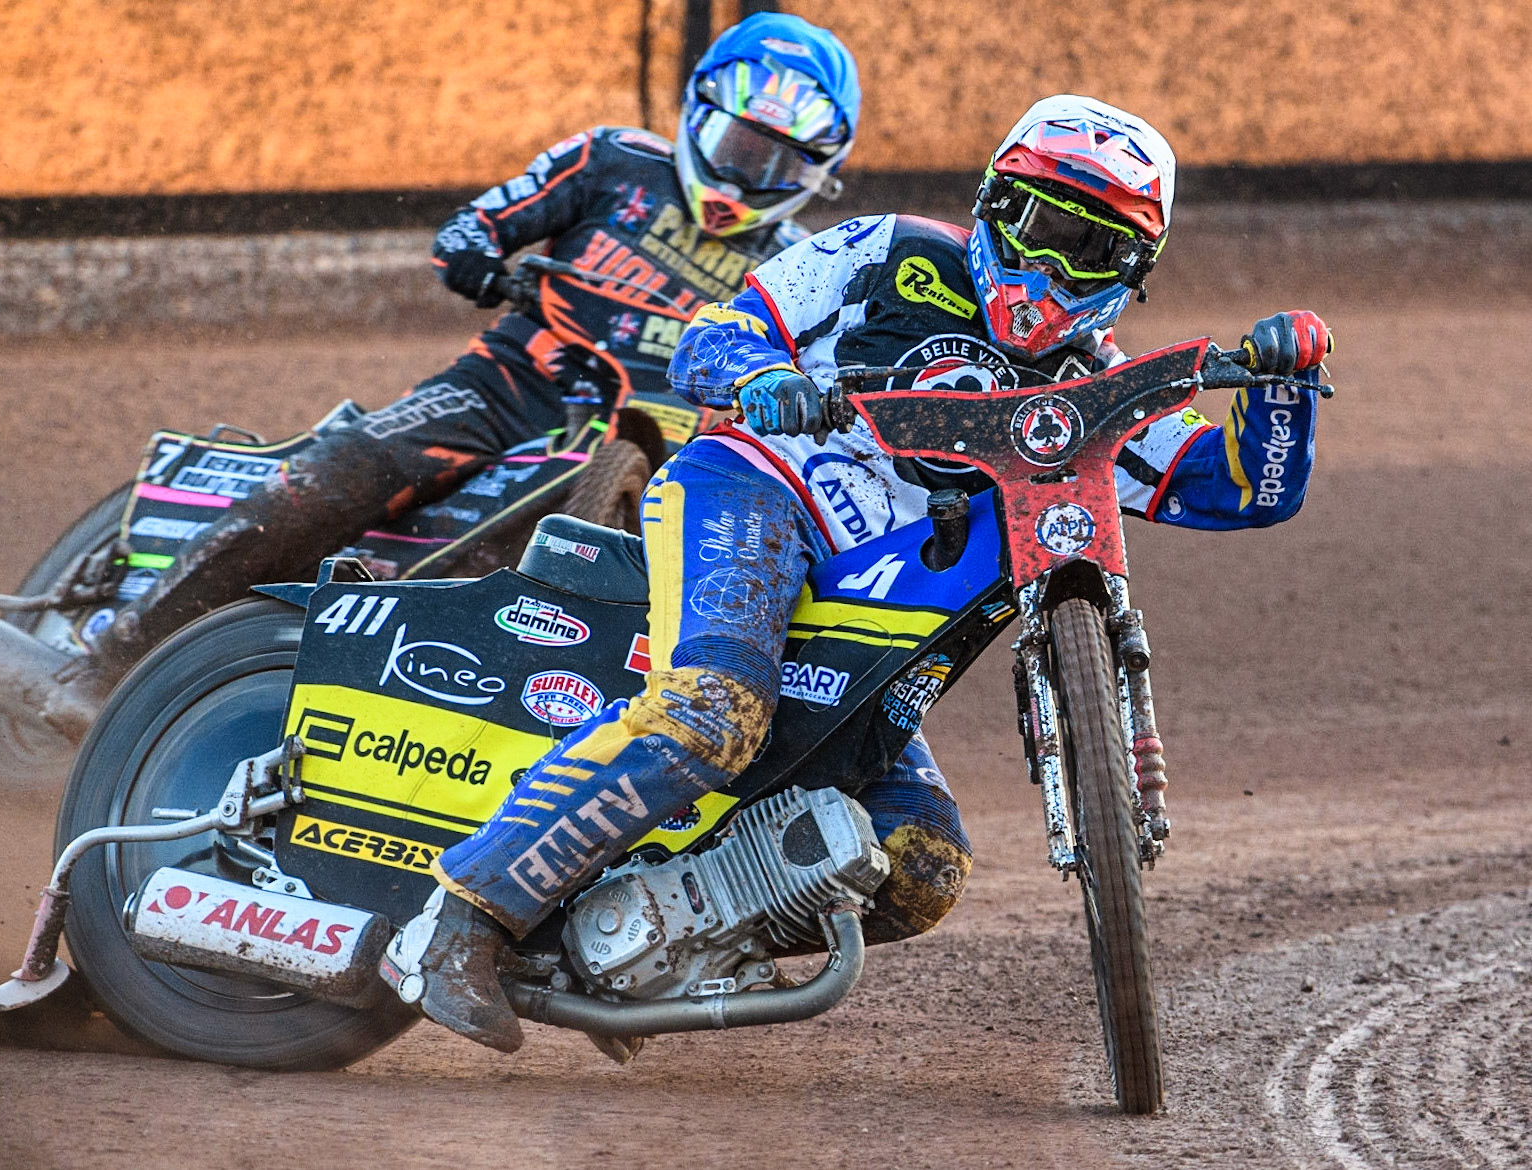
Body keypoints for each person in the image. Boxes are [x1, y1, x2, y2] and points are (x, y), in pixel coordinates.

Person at [395, 95, 1332, 1052]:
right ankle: (461, 917)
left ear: (1134, 272)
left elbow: (1235, 487)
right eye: (1040, 227)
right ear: (993, 204)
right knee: (713, 712)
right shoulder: (886, 251)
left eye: (1092, 252)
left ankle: (642, 948)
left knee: (920, 864)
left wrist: (1284, 386)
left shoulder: (1090, 390)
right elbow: (714, 334)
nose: (1053, 268)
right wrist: (763, 377)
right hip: (757, 492)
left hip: (878, 605)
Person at [45, 13, 862, 731]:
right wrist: (481, 262)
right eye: (741, 147)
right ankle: (112, 655)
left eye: (781, 165)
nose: (749, 178)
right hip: (508, 389)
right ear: (697, 114)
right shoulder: (610, 159)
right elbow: (474, 227)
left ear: (819, 177)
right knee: (341, 473)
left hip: (655, 459)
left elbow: (820, 385)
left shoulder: (802, 268)